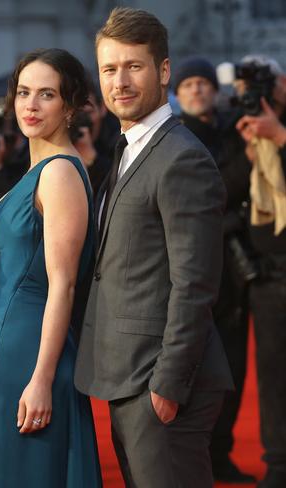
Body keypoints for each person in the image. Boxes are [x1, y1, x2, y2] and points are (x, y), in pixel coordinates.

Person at [74, 8, 234, 487]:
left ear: (164, 71)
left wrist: (167, 384)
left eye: (133, 66)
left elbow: (196, 284)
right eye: (108, 69)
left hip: (161, 386)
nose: (119, 81)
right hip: (130, 378)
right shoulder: (129, 147)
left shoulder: (181, 158)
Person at [0, 48, 102, 487]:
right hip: (8, 342)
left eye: (46, 94)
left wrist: (42, 378)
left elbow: (64, 285)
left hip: (32, 349)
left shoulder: (59, 174)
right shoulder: (39, 169)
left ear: (70, 105)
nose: (30, 105)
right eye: (24, 93)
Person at [174, 56, 256, 484]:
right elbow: (217, 193)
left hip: (237, 275)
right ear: (179, 93)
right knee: (197, 371)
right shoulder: (180, 140)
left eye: (203, 83)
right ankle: (199, 457)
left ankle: (220, 454)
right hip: (198, 275)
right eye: (188, 84)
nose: (197, 90)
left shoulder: (234, 128)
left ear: (216, 90)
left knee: (236, 370)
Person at [234, 54, 286, 488]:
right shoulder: (242, 128)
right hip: (267, 275)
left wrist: (281, 136)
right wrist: (251, 152)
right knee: (272, 376)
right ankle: (279, 465)